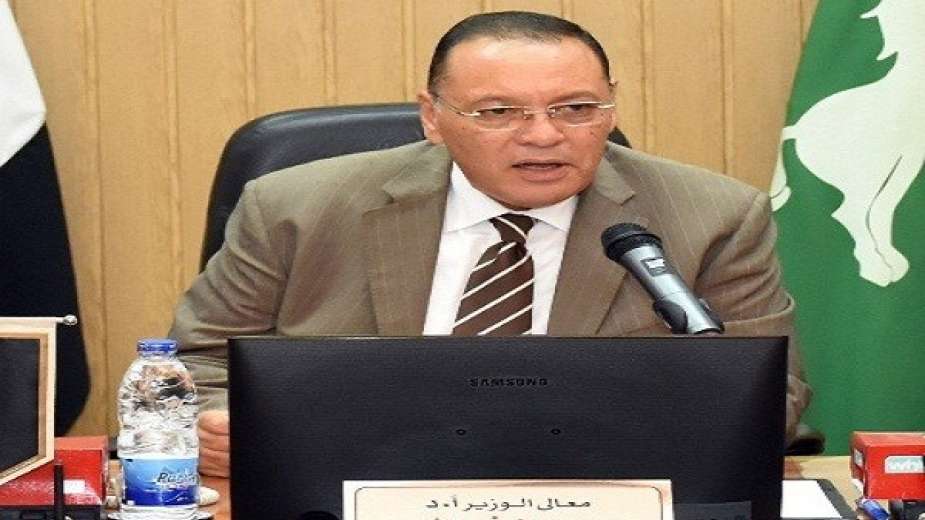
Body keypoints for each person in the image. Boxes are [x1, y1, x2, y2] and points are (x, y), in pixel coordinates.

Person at [169, 11, 812, 478]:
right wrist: (217, 423)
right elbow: (194, 363)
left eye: (576, 108)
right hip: (350, 485)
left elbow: (767, 396)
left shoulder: (715, 217)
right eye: (498, 112)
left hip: (597, 490)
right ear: (432, 117)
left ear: (610, 109)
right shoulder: (294, 207)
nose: (543, 136)